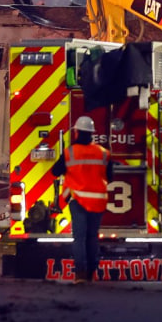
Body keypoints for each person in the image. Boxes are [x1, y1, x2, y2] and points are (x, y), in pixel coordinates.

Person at [52, 116, 112, 283]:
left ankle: (80, 274)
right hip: (98, 201)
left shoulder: (70, 152)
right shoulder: (103, 153)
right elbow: (110, 176)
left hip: (78, 201)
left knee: (79, 238)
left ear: (77, 132)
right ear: (92, 134)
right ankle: (92, 273)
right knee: (93, 237)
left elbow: (55, 172)